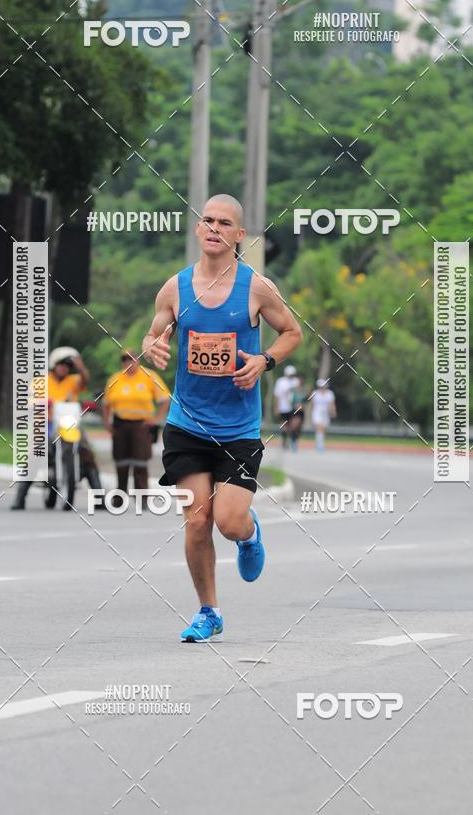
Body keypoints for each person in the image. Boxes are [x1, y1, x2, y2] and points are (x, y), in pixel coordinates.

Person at [142, 193, 302, 643]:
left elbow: (292, 332)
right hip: (187, 423)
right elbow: (153, 334)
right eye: (208, 220)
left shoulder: (256, 287)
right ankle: (208, 611)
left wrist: (265, 361)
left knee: (229, 522)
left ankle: (249, 537)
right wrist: (152, 347)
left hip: (238, 430)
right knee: (197, 520)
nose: (214, 228)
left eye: (224, 223)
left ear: (239, 235)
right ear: (198, 228)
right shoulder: (175, 288)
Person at [10, 347, 100, 509]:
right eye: (61, 364)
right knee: (34, 454)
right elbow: (29, 401)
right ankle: (20, 498)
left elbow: (85, 381)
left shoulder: (74, 380)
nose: (64, 368)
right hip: (46, 424)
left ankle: (99, 498)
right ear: (53, 364)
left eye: (68, 365)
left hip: (70, 425)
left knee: (87, 454)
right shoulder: (40, 381)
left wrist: (81, 368)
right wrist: (40, 403)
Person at [102, 349, 170, 496]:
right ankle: (120, 497)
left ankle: (142, 497)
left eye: (131, 359)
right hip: (120, 425)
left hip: (141, 426)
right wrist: (106, 422)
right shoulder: (115, 378)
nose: (128, 362)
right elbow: (106, 404)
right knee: (121, 463)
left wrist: (157, 419)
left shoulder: (149, 376)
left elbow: (165, 399)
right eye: (124, 359)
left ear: (137, 360)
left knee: (140, 463)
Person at [273, 365, 299, 449]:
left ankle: (293, 441)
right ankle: (284, 442)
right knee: (285, 426)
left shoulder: (296, 381)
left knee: (293, 426)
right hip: (283, 408)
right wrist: (276, 408)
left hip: (294, 407)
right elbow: (277, 396)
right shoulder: (280, 382)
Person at [310, 378, 337, 452]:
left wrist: (333, 411)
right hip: (317, 412)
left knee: (323, 429)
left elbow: (332, 404)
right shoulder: (314, 393)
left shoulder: (329, 393)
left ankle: (318, 443)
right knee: (320, 427)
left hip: (326, 413)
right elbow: (312, 404)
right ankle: (320, 445)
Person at [288, 375, 307, 452]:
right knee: (294, 426)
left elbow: (307, 400)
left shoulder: (305, 389)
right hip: (295, 410)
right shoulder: (294, 390)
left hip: (301, 411)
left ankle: (295, 441)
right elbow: (290, 399)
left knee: (298, 427)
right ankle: (292, 441)